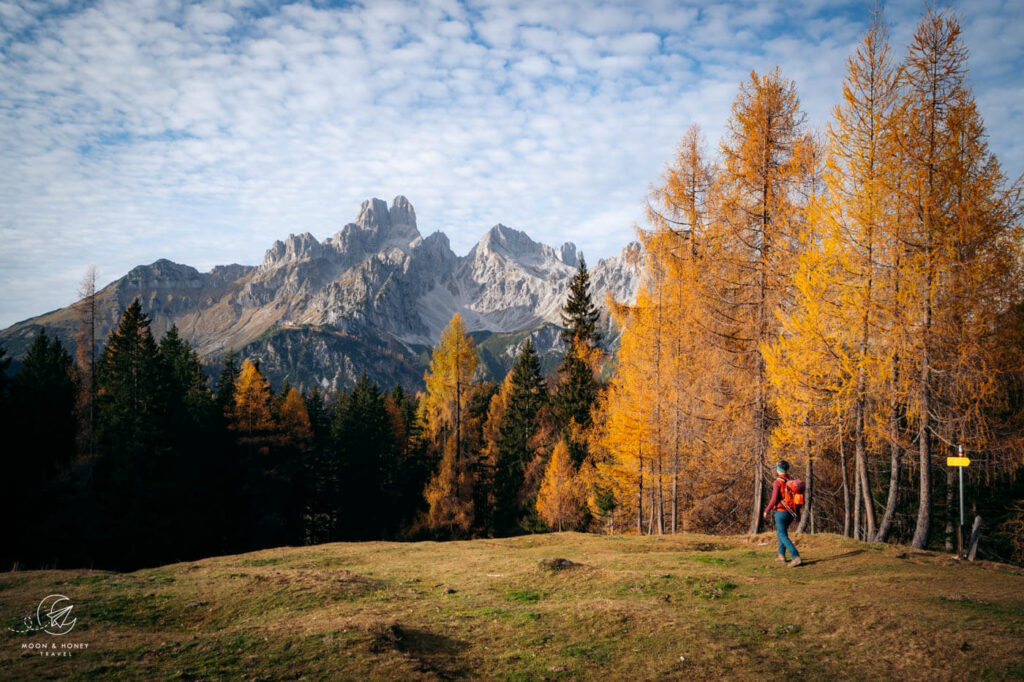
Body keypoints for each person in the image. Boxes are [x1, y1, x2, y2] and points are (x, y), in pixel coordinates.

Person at [763, 459, 801, 567]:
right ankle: (781, 556)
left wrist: (767, 510)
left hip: (781, 512)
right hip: (791, 512)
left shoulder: (777, 482)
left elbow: (774, 499)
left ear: (778, 469)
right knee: (781, 532)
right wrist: (798, 513)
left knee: (782, 534)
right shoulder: (791, 481)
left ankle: (795, 556)